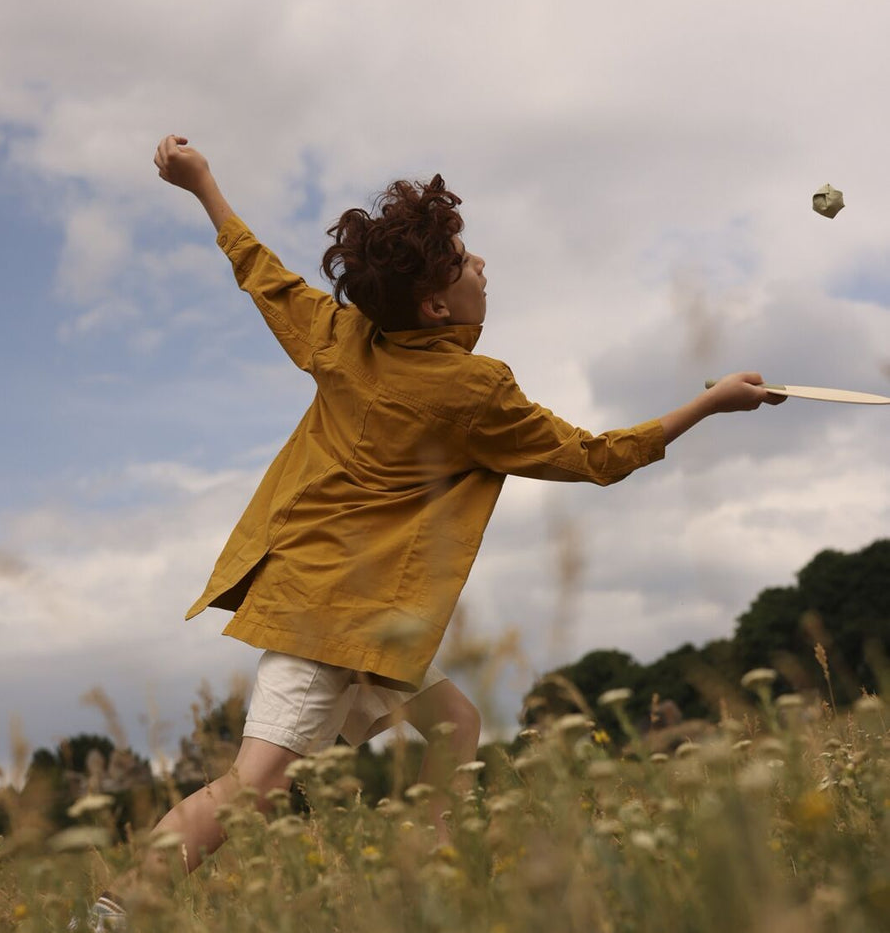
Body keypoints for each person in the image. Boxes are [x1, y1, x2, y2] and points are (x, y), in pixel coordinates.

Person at [79, 134, 784, 929]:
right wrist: (710, 404)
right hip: (331, 615)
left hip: (358, 608)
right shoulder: (474, 390)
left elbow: (262, 273)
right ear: (435, 307)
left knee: (455, 725)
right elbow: (595, 457)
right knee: (255, 784)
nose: (480, 261)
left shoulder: (340, 338)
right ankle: (109, 916)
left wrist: (202, 183)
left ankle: (446, 894)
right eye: (461, 261)